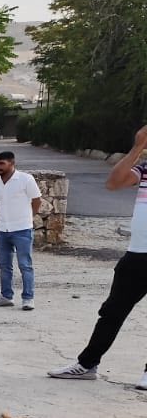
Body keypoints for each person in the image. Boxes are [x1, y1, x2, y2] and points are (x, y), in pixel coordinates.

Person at [48, 124, 147, 388]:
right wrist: (138, 147)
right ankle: (87, 364)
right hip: (137, 254)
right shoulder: (145, 167)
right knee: (112, 312)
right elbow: (113, 183)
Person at [0, 150, 42, 311]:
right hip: (3, 230)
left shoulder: (25, 179)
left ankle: (28, 298)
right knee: (4, 265)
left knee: (25, 265)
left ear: (12, 163)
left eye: (2, 163)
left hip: (22, 229)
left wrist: (29, 217)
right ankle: (6, 296)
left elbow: (37, 200)